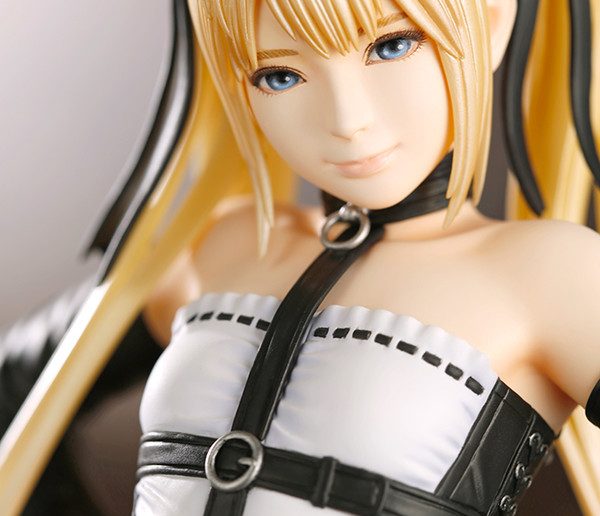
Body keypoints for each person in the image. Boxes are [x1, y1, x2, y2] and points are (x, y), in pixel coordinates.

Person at [0, 0, 598, 515]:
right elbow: (17, 386)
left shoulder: (547, 273)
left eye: (391, 46)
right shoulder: (225, 246)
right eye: (280, 76)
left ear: (490, 21)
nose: (348, 121)